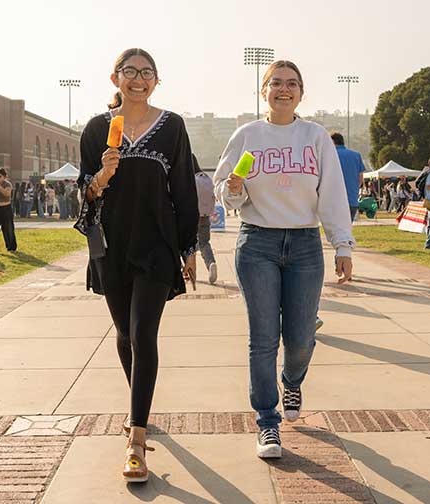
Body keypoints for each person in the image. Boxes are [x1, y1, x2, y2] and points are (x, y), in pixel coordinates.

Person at [214, 60, 354, 460]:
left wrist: (342, 244)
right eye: (276, 82)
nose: (284, 89)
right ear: (264, 91)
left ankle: (292, 380)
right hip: (257, 242)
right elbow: (228, 192)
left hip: (306, 245)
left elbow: (330, 192)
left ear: (301, 92)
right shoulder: (247, 135)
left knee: (300, 338)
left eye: (292, 84)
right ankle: (267, 422)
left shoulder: (314, 137)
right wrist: (235, 189)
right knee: (262, 339)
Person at [74, 48, 198, 483]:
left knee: (144, 332)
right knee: (125, 334)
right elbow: (85, 196)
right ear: (115, 78)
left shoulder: (173, 128)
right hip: (110, 245)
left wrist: (189, 247)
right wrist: (101, 178)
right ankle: (138, 407)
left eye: (147, 73)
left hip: (156, 244)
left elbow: (182, 188)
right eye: (131, 72)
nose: (138, 79)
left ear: (156, 81)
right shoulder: (95, 129)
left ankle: (136, 440)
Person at [193, 154, 218, 284]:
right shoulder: (205, 178)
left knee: (185, 244)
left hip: (191, 216)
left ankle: (190, 271)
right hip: (205, 216)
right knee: (204, 243)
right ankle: (211, 263)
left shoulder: (187, 178)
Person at [331, 132, 365, 221]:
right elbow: (360, 177)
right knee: (346, 230)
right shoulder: (356, 155)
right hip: (352, 199)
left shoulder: (329, 155)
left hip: (334, 200)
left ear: (332, 142)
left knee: (334, 231)